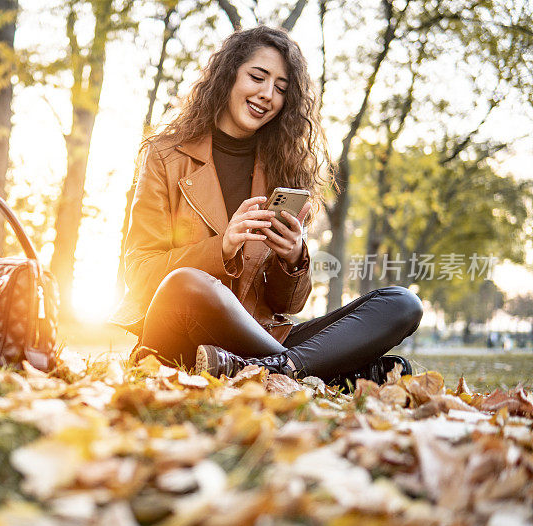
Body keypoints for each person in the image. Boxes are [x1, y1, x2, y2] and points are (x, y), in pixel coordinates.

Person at [109, 26, 423, 383]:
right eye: (257, 77)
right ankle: (322, 370)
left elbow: (287, 307)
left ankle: (273, 369)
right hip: (181, 336)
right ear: (228, 75)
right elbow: (140, 273)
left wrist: (292, 259)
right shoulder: (165, 156)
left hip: (261, 340)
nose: (267, 94)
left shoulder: (284, 167)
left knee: (401, 303)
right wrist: (221, 248)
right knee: (187, 283)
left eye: (280, 88)